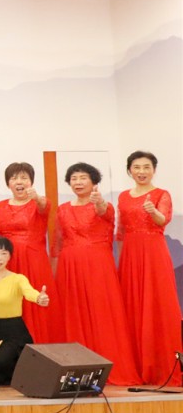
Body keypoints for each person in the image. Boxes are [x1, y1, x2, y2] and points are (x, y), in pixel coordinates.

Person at [48, 163, 140, 386]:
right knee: (73, 314)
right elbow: (58, 243)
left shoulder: (104, 205)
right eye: (74, 178)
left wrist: (98, 202)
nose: (78, 182)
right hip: (69, 267)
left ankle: (107, 367)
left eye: (83, 178)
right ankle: (76, 369)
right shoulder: (62, 209)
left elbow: (103, 212)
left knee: (102, 313)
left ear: (94, 182)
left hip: (98, 266)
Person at [117, 151, 180, 386]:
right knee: (133, 305)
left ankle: (161, 367)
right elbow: (120, 231)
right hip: (130, 254)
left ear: (154, 170)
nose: (141, 171)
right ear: (129, 170)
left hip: (153, 252)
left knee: (156, 303)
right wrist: (121, 260)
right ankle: (137, 365)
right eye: (137, 167)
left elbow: (163, 220)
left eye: (146, 167)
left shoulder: (161, 194)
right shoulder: (123, 196)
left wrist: (153, 212)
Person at [0, 161, 55, 341]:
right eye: (14, 178)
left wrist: (37, 198)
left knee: (34, 302)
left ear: (31, 181)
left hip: (33, 261)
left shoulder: (39, 202)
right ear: (8, 183)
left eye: (24, 178)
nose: (19, 182)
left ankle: (39, 345)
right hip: (6, 262)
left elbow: (44, 206)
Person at [0, 236, 50, 387]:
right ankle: (18, 370)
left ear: (9, 257)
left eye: (4, 253)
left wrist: (39, 298)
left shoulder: (17, 279)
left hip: (15, 332)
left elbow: (29, 292)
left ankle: (21, 362)